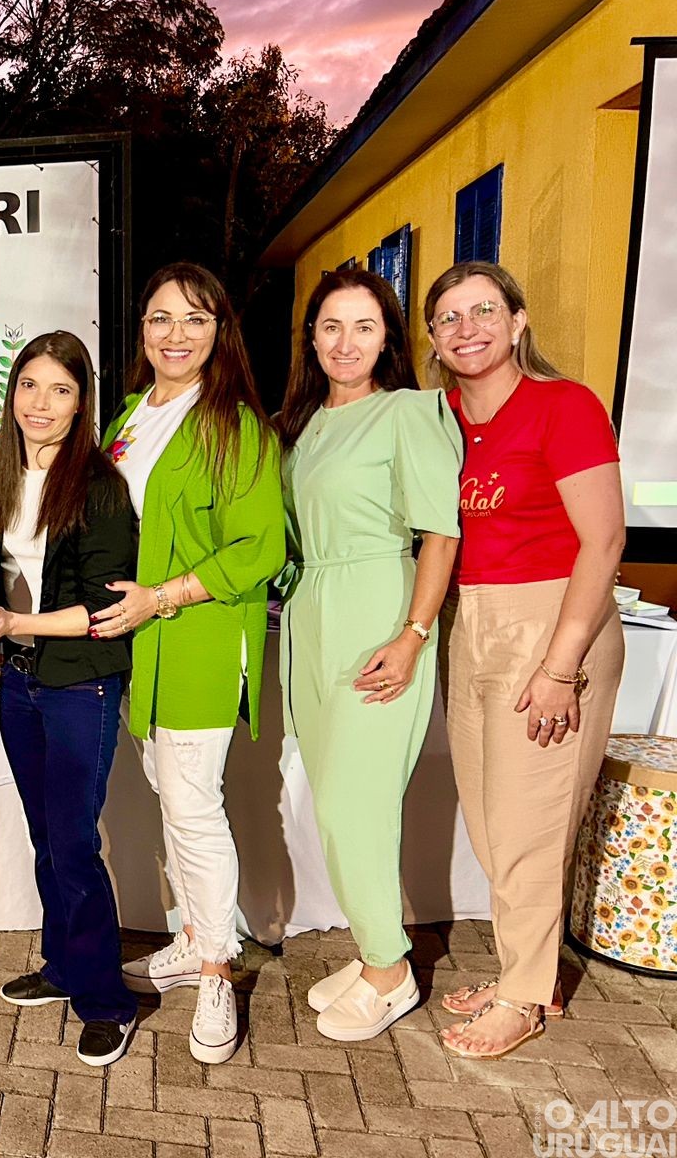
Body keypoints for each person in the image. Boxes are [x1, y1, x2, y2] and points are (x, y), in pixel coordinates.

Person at [424, 261, 624, 1060]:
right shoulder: (439, 417)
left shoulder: (562, 405)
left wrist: (559, 666)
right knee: (491, 819)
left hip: (552, 621)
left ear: (517, 322)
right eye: (448, 317)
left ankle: (524, 996)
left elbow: (605, 540)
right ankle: (526, 970)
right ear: (434, 341)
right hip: (472, 619)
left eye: (483, 311)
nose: (466, 327)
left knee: (532, 821)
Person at [90, 261, 284, 1065]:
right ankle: (192, 931)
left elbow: (259, 547)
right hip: (136, 640)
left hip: (199, 638)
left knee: (194, 804)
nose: (176, 334)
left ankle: (216, 969)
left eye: (194, 319)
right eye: (160, 318)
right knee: (171, 794)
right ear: (141, 331)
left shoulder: (236, 424)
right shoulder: (132, 416)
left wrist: (161, 597)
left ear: (220, 331)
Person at [275, 268, 462, 1041]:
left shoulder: (410, 412)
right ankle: (372, 947)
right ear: (312, 339)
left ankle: (391, 972)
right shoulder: (306, 422)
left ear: (387, 338)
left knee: (358, 804)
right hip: (311, 613)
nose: (345, 342)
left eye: (364, 326)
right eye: (330, 326)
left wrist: (412, 634)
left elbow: (440, 532)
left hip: (379, 606)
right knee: (331, 801)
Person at [0, 330, 140, 1067]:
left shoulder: (100, 486)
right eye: (30, 386)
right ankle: (65, 967)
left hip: (81, 682)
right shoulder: (1, 480)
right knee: (46, 838)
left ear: (82, 402)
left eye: (60, 390)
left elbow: (102, 609)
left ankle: (107, 999)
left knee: (74, 842)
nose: (41, 403)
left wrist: (15, 625)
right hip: (20, 680)